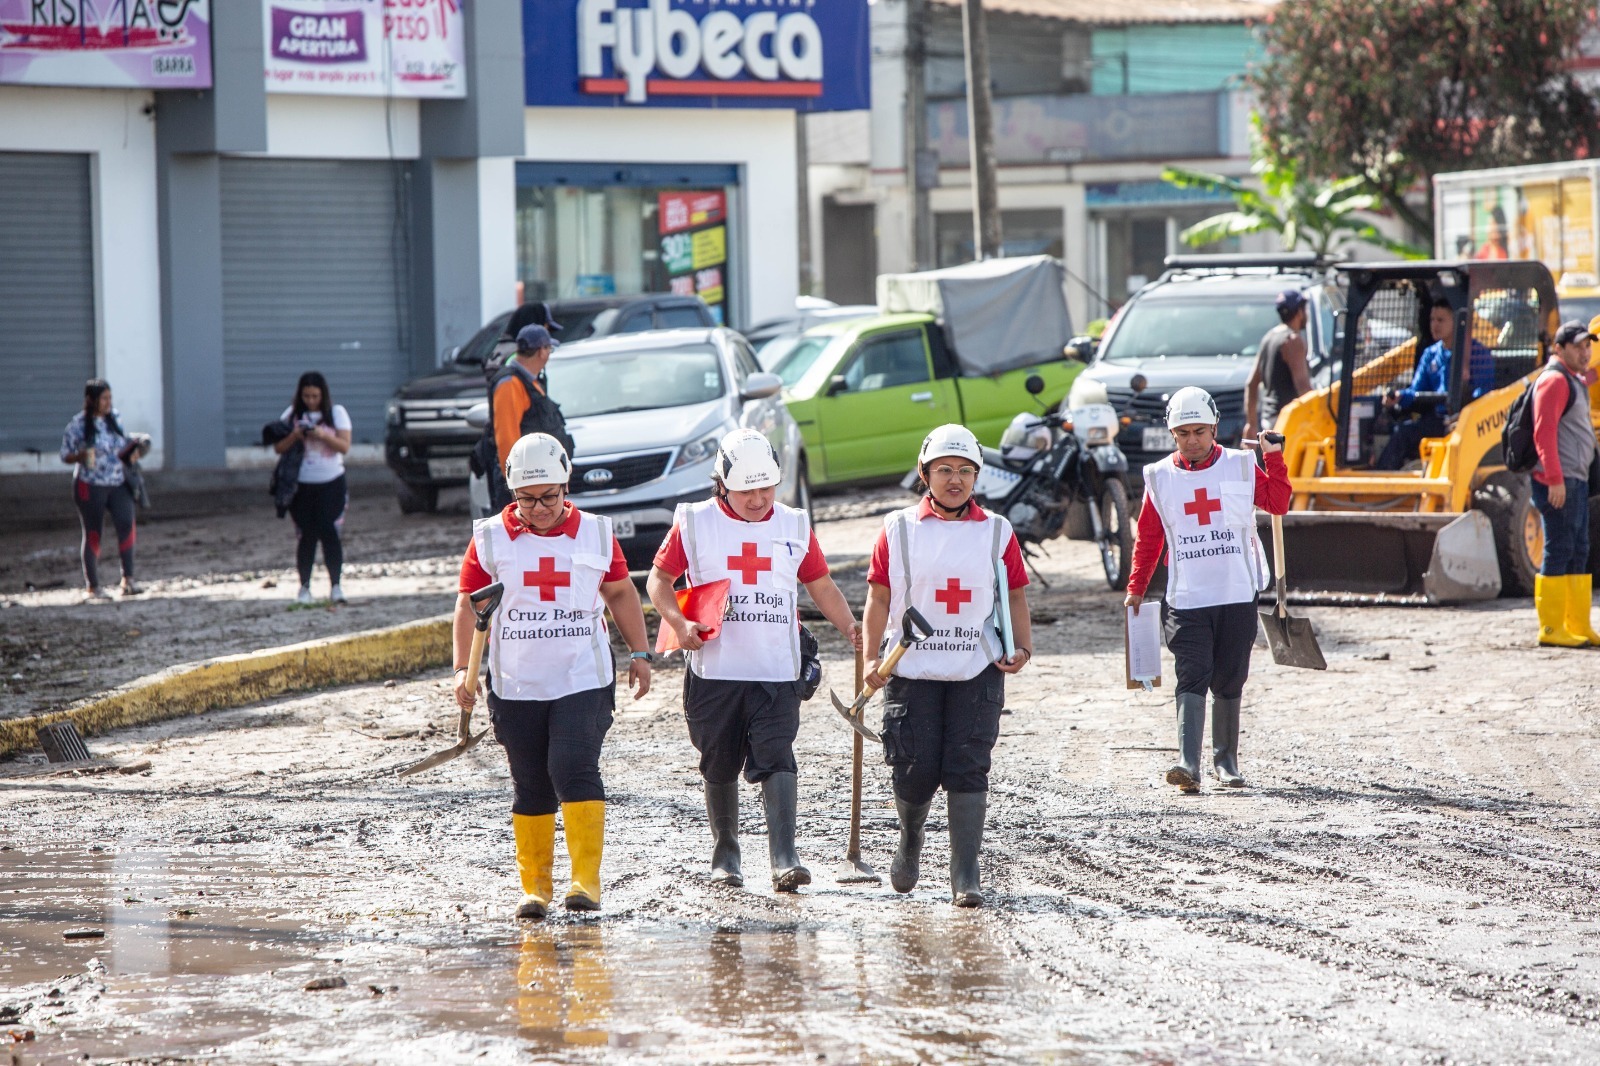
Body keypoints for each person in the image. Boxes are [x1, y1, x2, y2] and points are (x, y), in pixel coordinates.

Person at [646, 429, 861, 893]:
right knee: (717, 761)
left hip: (776, 671)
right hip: (715, 672)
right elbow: (658, 581)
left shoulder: (793, 524)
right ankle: (726, 853)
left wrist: (849, 626)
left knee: (778, 753)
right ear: (722, 483)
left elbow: (821, 584)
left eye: (767, 488)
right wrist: (680, 626)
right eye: (748, 490)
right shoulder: (694, 522)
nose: (760, 499)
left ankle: (785, 855)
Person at [453, 432, 652, 919]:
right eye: (527, 499)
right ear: (512, 494)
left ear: (566, 487)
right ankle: (536, 887)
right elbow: (468, 605)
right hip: (516, 682)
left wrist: (640, 652)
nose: (539, 508)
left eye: (549, 497)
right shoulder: (490, 539)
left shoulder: (596, 533)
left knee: (571, 765)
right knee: (530, 781)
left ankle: (585, 881)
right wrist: (463, 668)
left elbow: (622, 594)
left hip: (582, 677)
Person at [860, 424, 1032, 907]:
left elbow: (1015, 593)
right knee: (913, 769)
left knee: (968, 765)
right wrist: (872, 658)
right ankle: (910, 841)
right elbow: (878, 597)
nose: (955, 480)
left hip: (976, 669)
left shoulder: (997, 530)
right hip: (910, 669)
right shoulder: (897, 528)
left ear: (977, 476)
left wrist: (1022, 647)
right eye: (944, 470)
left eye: (964, 471)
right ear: (924, 473)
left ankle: (965, 872)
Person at [1124, 387, 1291, 793]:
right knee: (1192, 673)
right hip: (1186, 599)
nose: (1192, 440)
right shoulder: (1159, 477)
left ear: (1215, 428)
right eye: (1183, 433)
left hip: (1236, 594)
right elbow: (1149, 537)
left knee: (1231, 677)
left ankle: (1226, 762)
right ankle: (1187, 763)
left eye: (1200, 431)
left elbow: (1278, 503)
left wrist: (1273, 457)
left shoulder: (1238, 465)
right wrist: (1136, 587)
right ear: (1172, 434)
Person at [1530, 321, 1599, 647]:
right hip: (1559, 480)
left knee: (1578, 548)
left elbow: (1591, 377)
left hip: (1576, 478)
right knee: (1558, 548)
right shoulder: (1555, 381)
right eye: (1578, 347)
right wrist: (1554, 479)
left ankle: (1577, 623)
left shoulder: (1574, 378)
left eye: (1588, 346)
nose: (1585, 353)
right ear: (1559, 349)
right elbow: (1544, 434)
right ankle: (1551, 628)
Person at [1374, 299, 1494, 470]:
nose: (1434, 325)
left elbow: (1483, 395)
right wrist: (1400, 397)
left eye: (1441, 320)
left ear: (1457, 322)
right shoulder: (1431, 354)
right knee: (1402, 433)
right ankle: (1382, 481)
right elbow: (1417, 391)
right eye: (1432, 320)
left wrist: (1465, 414)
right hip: (1437, 419)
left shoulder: (1478, 354)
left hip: (1468, 422)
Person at [59, 379, 149, 600]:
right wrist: (80, 456)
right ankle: (93, 586)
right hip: (90, 485)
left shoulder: (114, 418)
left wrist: (137, 449)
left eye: (110, 397)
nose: (109, 402)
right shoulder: (78, 425)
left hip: (118, 482)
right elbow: (65, 455)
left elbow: (121, 446)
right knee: (93, 533)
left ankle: (128, 579)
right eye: (104, 398)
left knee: (127, 525)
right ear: (91, 400)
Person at [272, 372, 352, 605]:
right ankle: (304, 586)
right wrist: (296, 434)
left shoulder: (337, 414)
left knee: (329, 532)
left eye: (315, 396)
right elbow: (279, 447)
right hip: (301, 484)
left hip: (331, 482)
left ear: (323, 395)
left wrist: (322, 434)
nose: (311, 401)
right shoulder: (291, 416)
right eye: (306, 396)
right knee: (306, 535)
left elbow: (344, 446)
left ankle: (336, 586)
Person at [481, 324, 575, 514]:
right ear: (541, 351)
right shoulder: (510, 384)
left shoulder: (529, 380)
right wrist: (516, 490)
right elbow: (507, 439)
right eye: (549, 348)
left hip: (537, 485)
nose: (549, 354)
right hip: (527, 490)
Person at [1244, 289, 1313, 441]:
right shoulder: (1292, 340)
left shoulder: (1269, 337)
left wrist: (1251, 423)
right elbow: (1304, 389)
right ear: (1299, 312)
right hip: (1288, 424)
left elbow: (1251, 384)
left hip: (1268, 423)